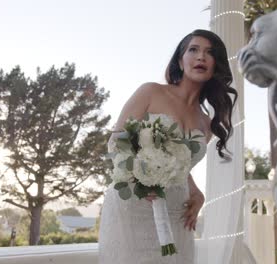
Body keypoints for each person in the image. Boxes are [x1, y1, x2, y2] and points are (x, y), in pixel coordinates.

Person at [98, 29, 238, 264]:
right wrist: (140, 178)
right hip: (134, 204)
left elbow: (180, 166)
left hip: (176, 211)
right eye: (193, 50)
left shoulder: (207, 123)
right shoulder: (151, 92)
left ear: (216, 66)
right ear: (180, 61)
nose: (201, 57)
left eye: (209, 53)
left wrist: (196, 193)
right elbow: (116, 141)